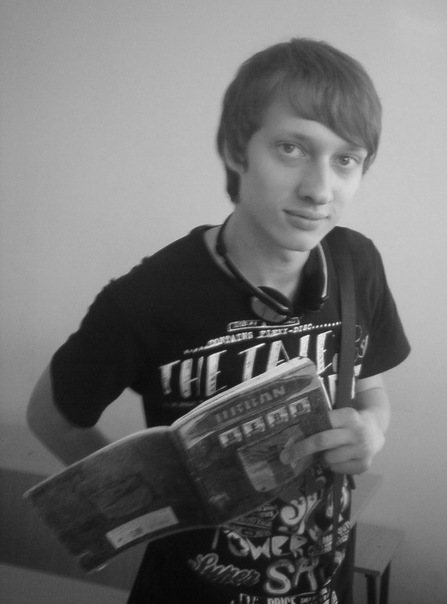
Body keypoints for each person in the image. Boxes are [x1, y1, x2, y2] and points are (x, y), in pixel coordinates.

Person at [27, 38, 410, 604]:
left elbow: (369, 385)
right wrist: (143, 499)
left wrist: (372, 427)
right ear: (236, 149)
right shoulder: (149, 297)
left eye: (346, 159)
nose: (319, 190)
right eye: (291, 148)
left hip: (321, 584)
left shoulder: (357, 263)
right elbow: (50, 414)